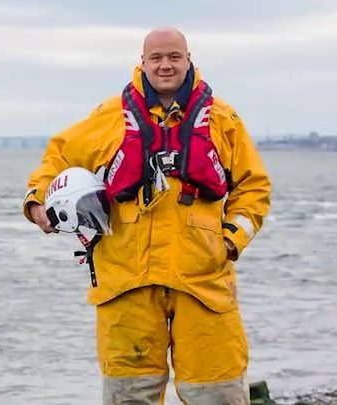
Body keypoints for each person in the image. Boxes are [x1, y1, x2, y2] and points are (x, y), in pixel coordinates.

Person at [22, 27, 271, 404]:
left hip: (203, 281)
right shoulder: (108, 117)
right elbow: (58, 157)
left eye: (174, 56)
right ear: (143, 62)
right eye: (156, 58)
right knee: (129, 395)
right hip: (126, 282)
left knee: (216, 393)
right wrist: (38, 202)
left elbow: (253, 188)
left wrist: (230, 240)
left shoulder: (224, 120)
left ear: (188, 59)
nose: (165, 65)